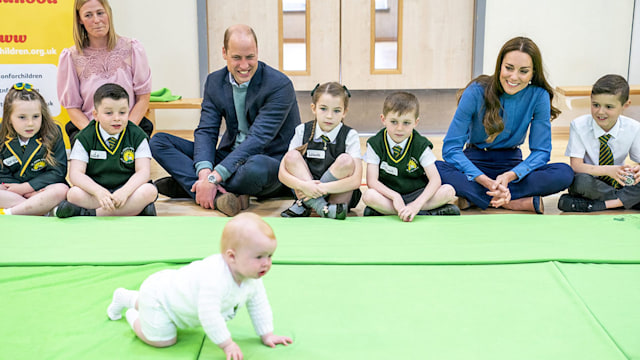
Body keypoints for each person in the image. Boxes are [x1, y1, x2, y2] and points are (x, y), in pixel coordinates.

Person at [150, 24, 301, 217]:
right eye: (237, 57)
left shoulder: (279, 85)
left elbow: (258, 139)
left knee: (255, 168)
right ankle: (216, 196)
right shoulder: (214, 81)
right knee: (159, 141)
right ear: (224, 52)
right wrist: (205, 172)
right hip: (230, 155)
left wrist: (215, 176)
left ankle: (190, 187)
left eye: (250, 57)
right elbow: (206, 130)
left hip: (269, 160)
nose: (244, 65)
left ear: (257, 52)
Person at [106, 212, 293, 359]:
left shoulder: (252, 277)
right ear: (231, 257)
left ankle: (132, 300)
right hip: (159, 297)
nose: (266, 263)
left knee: (157, 306)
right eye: (259, 257)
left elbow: (258, 304)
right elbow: (209, 315)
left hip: (172, 296)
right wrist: (227, 344)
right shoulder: (215, 279)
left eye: (269, 256)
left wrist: (267, 334)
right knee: (163, 340)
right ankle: (133, 313)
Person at [436, 36, 574, 214]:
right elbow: (450, 148)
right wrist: (483, 179)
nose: (513, 77)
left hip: (511, 165)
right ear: (500, 65)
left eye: (523, 71)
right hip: (474, 162)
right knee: (432, 169)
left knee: (564, 173)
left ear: (533, 73)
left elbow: (541, 151)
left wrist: (510, 176)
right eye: (509, 68)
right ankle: (511, 202)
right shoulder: (476, 91)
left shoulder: (539, 96)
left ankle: (476, 198)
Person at [54, 83, 157, 217]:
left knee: (149, 191)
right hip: (97, 193)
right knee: (74, 194)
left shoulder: (137, 135)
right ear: (96, 114)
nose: (117, 118)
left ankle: (90, 214)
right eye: (109, 113)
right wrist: (98, 191)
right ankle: (136, 210)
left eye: (122, 112)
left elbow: (143, 172)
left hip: (127, 191)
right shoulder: (84, 137)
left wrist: (125, 192)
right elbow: (76, 174)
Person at [57, 0, 153, 142]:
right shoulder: (70, 57)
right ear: (80, 20)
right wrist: (97, 137)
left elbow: (143, 98)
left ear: (108, 13)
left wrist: (124, 133)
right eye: (88, 15)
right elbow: (72, 108)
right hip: (89, 131)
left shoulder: (133, 48)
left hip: (129, 128)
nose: (96, 20)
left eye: (100, 13)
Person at [362, 92, 459, 222]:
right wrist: (395, 196)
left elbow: (435, 180)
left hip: (417, 194)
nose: (400, 128)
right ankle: (426, 213)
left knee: (449, 191)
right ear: (383, 119)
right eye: (394, 122)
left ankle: (399, 212)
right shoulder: (375, 144)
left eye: (406, 122)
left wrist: (416, 205)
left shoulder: (421, 144)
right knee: (369, 196)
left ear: (416, 122)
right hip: (390, 196)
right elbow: (372, 181)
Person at [278, 82, 362, 219]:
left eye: (336, 110)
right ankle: (325, 209)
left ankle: (307, 204)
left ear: (344, 112)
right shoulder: (302, 131)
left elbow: (356, 180)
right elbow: (282, 173)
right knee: (292, 156)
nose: (329, 116)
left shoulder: (350, 135)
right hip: (305, 189)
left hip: (337, 193)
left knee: (346, 160)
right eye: (323, 109)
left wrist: (322, 189)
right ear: (313, 108)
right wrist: (304, 186)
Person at [559, 74, 640, 212]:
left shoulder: (634, 127)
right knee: (580, 182)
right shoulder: (579, 126)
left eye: (609, 107)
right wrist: (608, 171)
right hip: (592, 181)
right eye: (595, 105)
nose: (600, 112)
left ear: (625, 105)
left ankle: (600, 205)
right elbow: (576, 166)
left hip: (619, 182)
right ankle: (628, 201)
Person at [0, 83, 69, 216]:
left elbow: (57, 172)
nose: (30, 123)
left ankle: (10, 213)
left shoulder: (54, 132)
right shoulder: (1, 134)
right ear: (9, 118)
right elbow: (2, 173)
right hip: (12, 190)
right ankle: (39, 208)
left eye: (36, 116)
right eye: (22, 117)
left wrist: (27, 187)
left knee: (61, 190)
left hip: (43, 189)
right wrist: (20, 190)